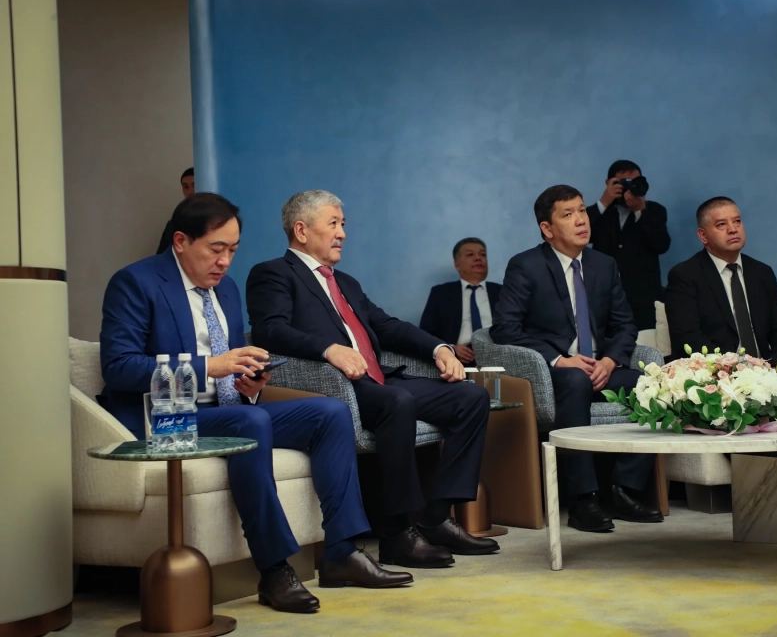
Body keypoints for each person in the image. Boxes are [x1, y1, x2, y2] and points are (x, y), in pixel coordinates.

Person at [99, 193, 412, 614]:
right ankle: (274, 568)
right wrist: (209, 367)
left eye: (233, 250)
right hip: (165, 417)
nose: (225, 261)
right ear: (181, 241)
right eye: (216, 249)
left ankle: (341, 551)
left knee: (329, 413)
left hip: (225, 410)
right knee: (250, 423)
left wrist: (248, 382)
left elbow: (232, 368)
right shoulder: (136, 282)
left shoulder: (226, 289)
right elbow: (119, 367)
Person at [246, 189, 499, 569]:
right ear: (301, 230)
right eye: (333, 224)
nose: (342, 233)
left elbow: (387, 326)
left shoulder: (345, 281)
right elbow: (269, 330)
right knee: (398, 402)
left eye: (343, 224)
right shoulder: (273, 274)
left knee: (470, 397)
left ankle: (436, 517)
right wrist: (328, 349)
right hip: (334, 387)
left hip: (378, 380)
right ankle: (397, 533)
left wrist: (440, 348)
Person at [490, 184, 663, 533]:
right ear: (547, 228)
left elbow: (625, 325)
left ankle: (624, 490)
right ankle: (583, 500)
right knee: (574, 379)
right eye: (568, 214)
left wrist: (610, 361)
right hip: (555, 373)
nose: (581, 220)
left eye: (582, 210)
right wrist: (558, 360)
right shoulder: (526, 265)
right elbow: (505, 328)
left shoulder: (604, 264)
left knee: (653, 384)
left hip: (600, 368)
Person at [664, 196, 777, 421]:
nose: (732, 229)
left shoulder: (761, 273)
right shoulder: (686, 275)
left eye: (737, 221)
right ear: (703, 235)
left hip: (766, 372)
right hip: (718, 378)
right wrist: (735, 370)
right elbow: (688, 337)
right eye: (721, 224)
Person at [587, 160, 670, 331]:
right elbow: (581, 236)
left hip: (644, 300)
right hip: (604, 298)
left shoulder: (655, 211)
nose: (629, 188)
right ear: (609, 183)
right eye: (623, 183)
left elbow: (661, 244)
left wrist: (640, 211)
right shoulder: (596, 213)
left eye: (635, 182)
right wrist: (603, 202)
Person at [419, 237, 502, 365]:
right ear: (457, 264)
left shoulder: (503, 292)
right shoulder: (441, 293)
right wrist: (450, 348)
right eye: (470, 254)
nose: (478, 258)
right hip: (456, 360)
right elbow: (426, 334)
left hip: (498, 356)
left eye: (482, 254)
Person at [156, 167, 195, 254]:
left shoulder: (218, 219)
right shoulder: (175, 223)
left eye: (195, 185)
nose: (191, 191)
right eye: (186, 187)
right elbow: (162, 255)